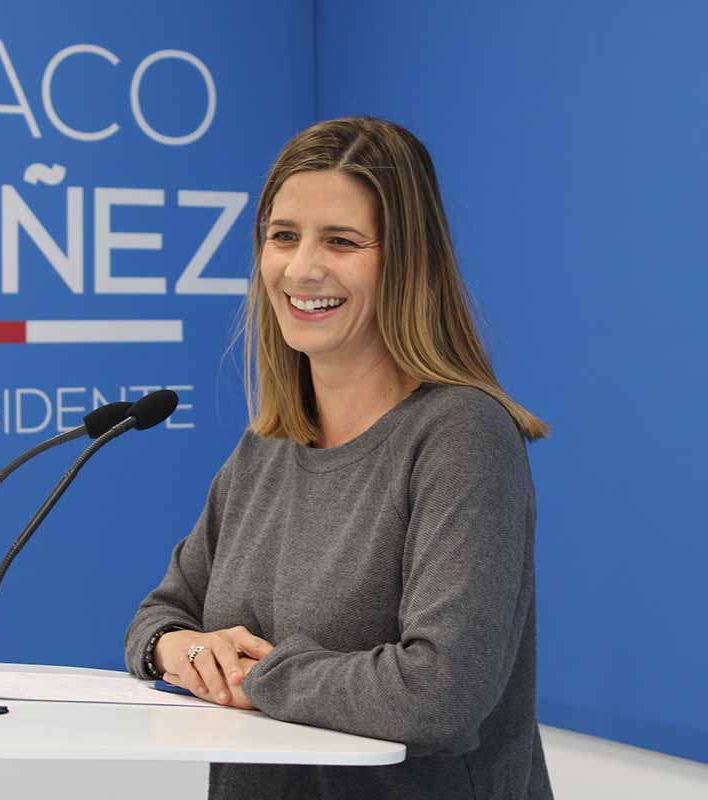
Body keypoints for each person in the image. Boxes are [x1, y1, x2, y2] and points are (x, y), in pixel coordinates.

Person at [124, 116, 554, 799]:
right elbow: (161, 617)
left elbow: (439, 695)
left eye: (342, 241)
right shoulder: (266, 447)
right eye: (283, 237)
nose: (301, 269)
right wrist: (177, 650)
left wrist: (257, 675)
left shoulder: (463, 436)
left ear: (408, 261)